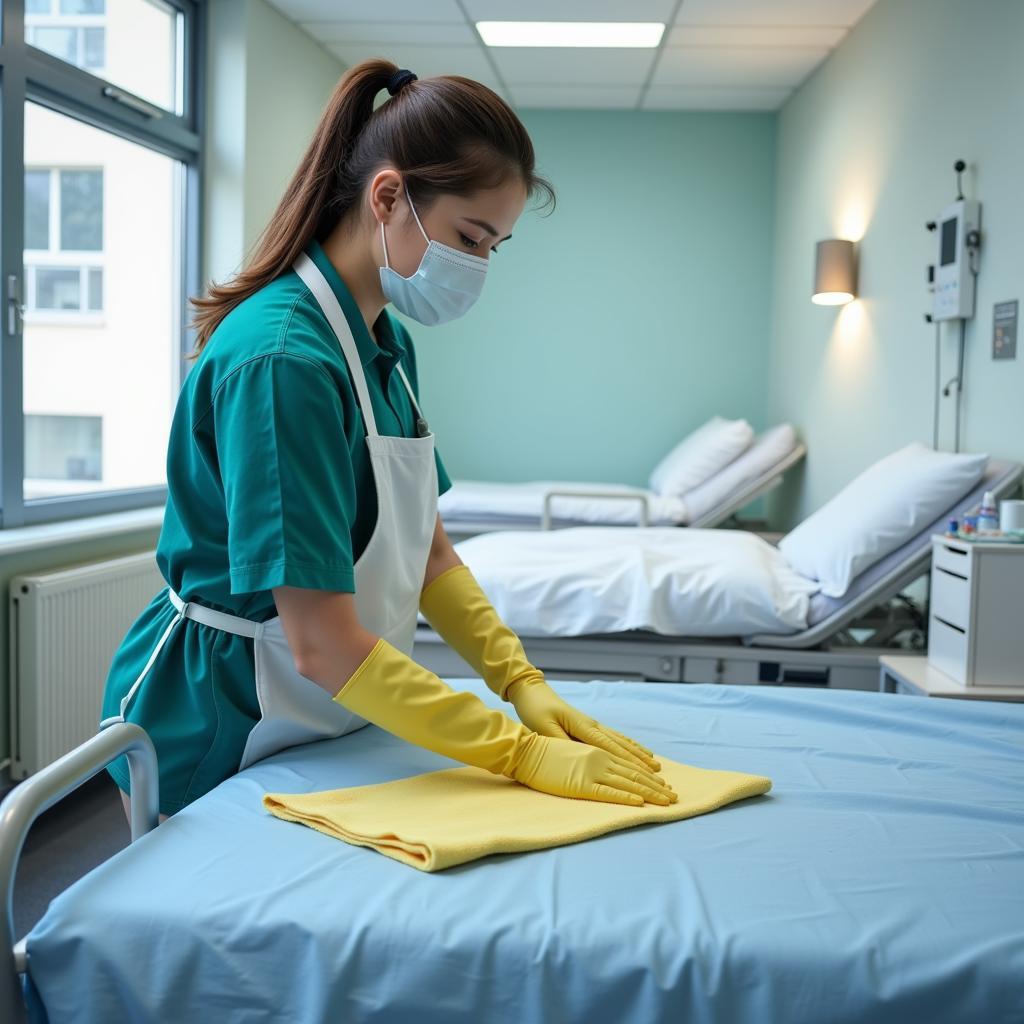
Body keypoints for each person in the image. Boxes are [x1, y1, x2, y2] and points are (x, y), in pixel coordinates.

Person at [99, 59, 676, 824]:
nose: (476, 267)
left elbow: (426, 551)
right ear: (387, 197)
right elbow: (323, 644)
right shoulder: (284, 364)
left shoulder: (383, 341)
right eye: (470, 237)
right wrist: (514, 752)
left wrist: (520, 684)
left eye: (492, 247)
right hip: (227, 721)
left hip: (321, 707)